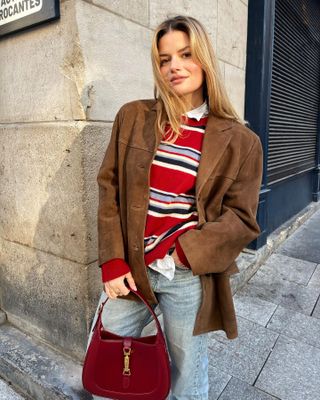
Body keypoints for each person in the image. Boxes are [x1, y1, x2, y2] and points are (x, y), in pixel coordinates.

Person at [87, 15, 263, 400]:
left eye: (186, 54)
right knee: (107, 361)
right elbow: (109, 188)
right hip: (129, 269)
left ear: (204, 60)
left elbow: (242, 219)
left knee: (187, 378)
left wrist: (185, 252)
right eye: (165, 59)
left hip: (186, 274)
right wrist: (112, 262)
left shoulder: (240, 140)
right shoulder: (133, 117)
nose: (174, 67)